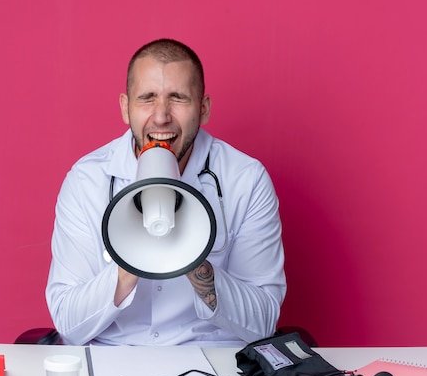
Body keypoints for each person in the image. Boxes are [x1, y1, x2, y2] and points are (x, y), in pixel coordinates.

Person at [46, 38, 286, 346]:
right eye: (147, 98)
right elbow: (68, 323)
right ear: (125, 107)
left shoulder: (245, 179)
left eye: (178, 98)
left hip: (214, 361)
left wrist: (192, 256)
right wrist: (130, 260)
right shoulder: (86, 181)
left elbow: (263, 321)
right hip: (112, 359)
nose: (161, 117)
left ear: (204, 109)